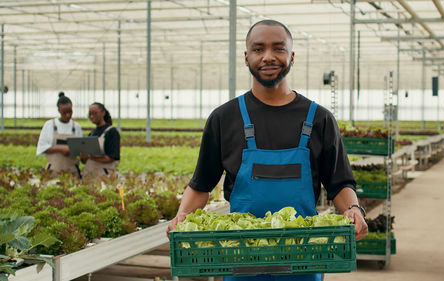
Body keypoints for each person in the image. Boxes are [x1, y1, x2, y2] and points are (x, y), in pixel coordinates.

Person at [167, 19, 367, 281]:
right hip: (240, 260)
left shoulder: (319, 119)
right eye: (259, 49)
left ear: (291, 57)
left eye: (278, 49)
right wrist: (182, 217)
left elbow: (339, 184)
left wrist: (353, 209)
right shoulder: (224, 118)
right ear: (246, 56)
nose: (268, 57)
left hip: (303, 260)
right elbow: (201, 185)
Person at [36, 92, 83, 177]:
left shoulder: (76, 126)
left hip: (72, 171)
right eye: (64, 112)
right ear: (59, 110)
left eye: (70, 112)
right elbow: (42, 147)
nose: (68, 115)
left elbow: (81, 147)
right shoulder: (49, 125)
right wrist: (60, 149)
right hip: (53, 171)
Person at [81, 102, 120, 178]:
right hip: (89, 175)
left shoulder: (111, 132)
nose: (92, 116)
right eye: (90, 114)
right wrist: (83, 157)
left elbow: (111, 157)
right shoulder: (91, 134)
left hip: (104, 175)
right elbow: (84, 161)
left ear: (103, 113)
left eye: (95, 113)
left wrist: (92, 157)